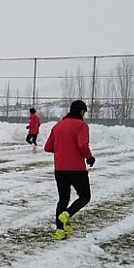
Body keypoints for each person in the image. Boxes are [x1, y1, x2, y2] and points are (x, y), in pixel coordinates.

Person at [44, 100, 95, 240]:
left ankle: (60, 231)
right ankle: (67, 214)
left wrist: (62, 149)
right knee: (85, 196)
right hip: (77, 169)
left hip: (60, 169)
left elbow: (48, 147)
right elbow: (83, 145)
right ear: (81, 111)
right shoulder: (81, 125)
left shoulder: (58, 126)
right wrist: (89, 157)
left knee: (63, 199)